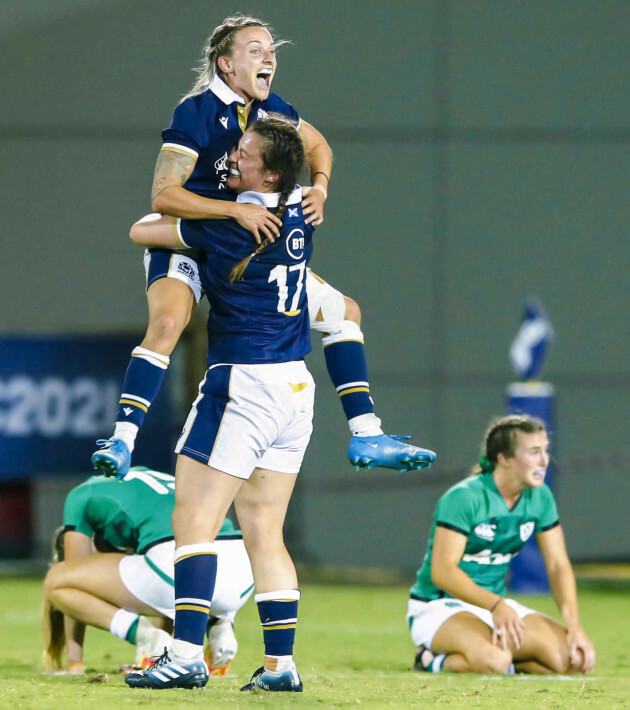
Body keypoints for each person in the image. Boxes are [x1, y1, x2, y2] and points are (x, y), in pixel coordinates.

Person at [91, 13, 435, 481]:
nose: (269, 57)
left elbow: (320, 148)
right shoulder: (195, 112)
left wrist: (321, 188)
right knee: (169, 323)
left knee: (344, 312)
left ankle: (367, 432)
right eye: (255, 49)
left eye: (271, 50)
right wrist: (233, 211)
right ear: (226, 65)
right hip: (191, 239)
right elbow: (162, 196)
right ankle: (124, 438)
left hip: (241, 242)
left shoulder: (272, 109)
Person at [120, 116, 315, 692]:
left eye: (245, 153)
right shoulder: (301, 205)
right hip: (295, 388)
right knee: (265, 530)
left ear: (271, 173)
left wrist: (225, 209)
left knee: (194, 519)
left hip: (245, 384)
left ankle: (184, 654)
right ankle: (281, 666)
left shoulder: (231, 228)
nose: (232, 156)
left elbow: (143, 230)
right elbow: (310, 159)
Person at [406, 414, 596, 675]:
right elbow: (442, 571)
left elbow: (557, 565)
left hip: (495, 607)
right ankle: (428, 659)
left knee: (576, 661)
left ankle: (500, 659)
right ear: (504, 459)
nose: (544, 461)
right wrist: (496, 605)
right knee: (494, 660)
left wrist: (575, 628)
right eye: (533, 452)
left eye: (545, 451)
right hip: (439, 605)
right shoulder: (465, 497)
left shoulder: (540, 497)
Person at [41, 467, 253, 676]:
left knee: (57, 581)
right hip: (241, 568)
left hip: (177, 560)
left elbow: (75, 568)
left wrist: (74, 663)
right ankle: (220, 626)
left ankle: (147, 638)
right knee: (164, 574)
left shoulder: (82, 495)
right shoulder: (148, 480)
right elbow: (163, 601)